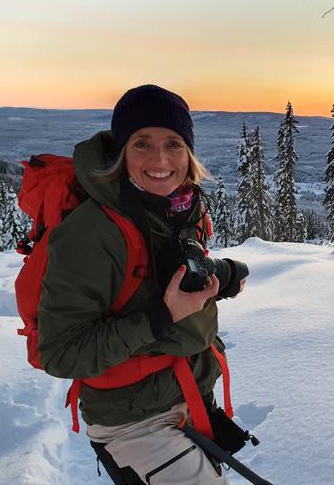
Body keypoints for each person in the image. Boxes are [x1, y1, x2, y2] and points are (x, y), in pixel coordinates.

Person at [37, 84, 240, 484]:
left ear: (189, 153)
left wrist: (223, 274)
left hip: (187, 396)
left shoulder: (181, 209)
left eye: (173, 144)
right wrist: (162, 318)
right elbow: (60, 353)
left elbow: (163, 274)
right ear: (122, 153)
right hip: (131, 420)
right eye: (142, 143)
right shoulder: (91, 233)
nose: (160, 159)